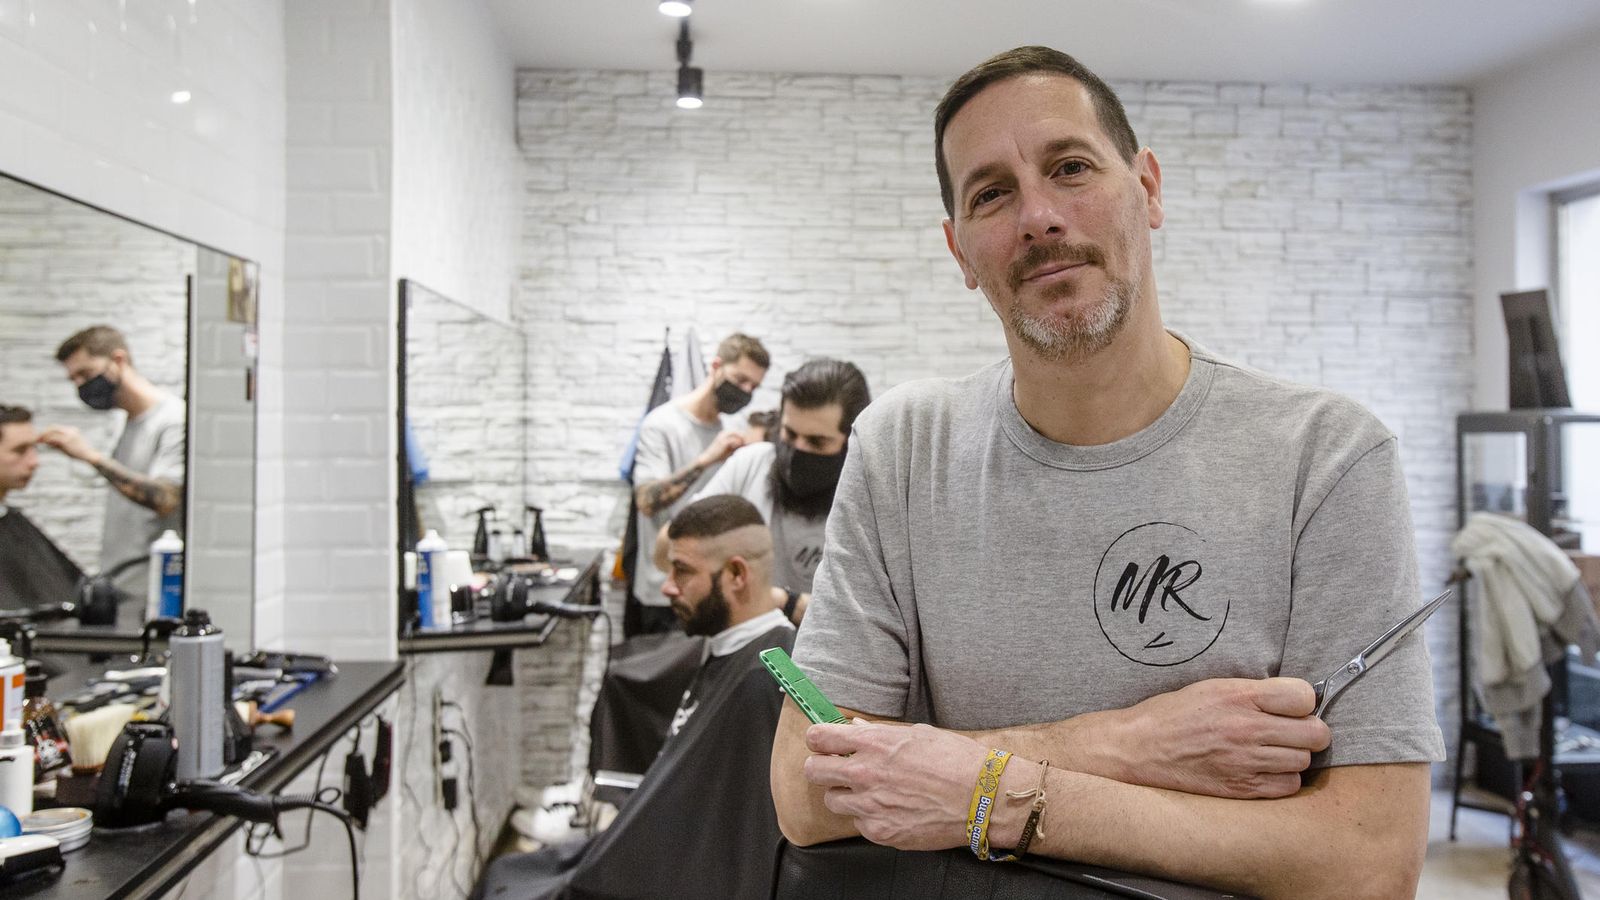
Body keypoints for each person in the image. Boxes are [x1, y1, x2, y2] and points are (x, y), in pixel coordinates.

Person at [770, 46, 1443, 900]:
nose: (1039, 216)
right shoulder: (903, 450)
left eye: (1071, 167)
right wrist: (1125, 744)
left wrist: (991, 791)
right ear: (960, 252)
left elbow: (1369, 861)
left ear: (1149, 188)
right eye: (991, 194)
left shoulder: (1329, 457)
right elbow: (806, 791)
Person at [473, 495, 795, 900]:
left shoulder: (765, 679)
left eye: (681, 571)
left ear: (735, 574)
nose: (666, 587)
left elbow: (733, 853)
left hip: (665, 879)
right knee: (510, 870)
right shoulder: (726, 648)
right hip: (645, 860)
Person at [692, 358, 872, 623]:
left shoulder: (871, 498)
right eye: (789, 434)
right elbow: (671, 548)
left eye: (817, 441)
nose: (799, 449)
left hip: (819, 661)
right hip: (746, 650)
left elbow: (867, 620)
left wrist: (782, 601)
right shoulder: (751, 464)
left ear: (851, 442)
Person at [628, 332, 769, 635]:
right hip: (664, 589)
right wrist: (706, 459)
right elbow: (646, 501)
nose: (745, 391)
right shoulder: (662, 424)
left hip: (715, 595)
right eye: (740, 379)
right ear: (716, 366)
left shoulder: (735, 429)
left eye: (753, 387)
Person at [38, 326, 185, 597]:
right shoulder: (125, 421)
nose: (81, 386)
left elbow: (166, 498)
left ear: (118, 360)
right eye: (73, 379)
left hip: (151, 585)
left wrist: (90, 456)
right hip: (120, 579)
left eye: (86, 374)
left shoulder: (173, 420)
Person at [0, 404, 84, 608]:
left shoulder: (14, 522)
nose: (34, 462)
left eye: (34, 449)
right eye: (20, 451)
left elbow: (77, 589)